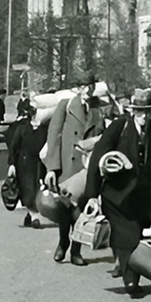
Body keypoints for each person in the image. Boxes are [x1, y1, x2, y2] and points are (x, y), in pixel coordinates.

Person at [86, 89, 151, 296]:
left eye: (147, 112)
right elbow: (97, 156)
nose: (143, 116)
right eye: (139, 111)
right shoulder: (119, 127)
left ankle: (133, 273)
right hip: (117, 195)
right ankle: (130, 281)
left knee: (138, 237)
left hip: (143, 197)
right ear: (132, 111)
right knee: (127, 238)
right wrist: (92, 194)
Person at [43, 74, 106, 266]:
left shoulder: (99, 107)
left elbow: (104, 133)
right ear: (77, 89)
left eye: (90, 86)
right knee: (64, 209)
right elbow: (53, 135)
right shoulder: (66, 105)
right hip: (67, 165)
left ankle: (76, 250)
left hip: (87, 167)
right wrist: (52, 168)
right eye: (83, 86)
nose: (87, 90)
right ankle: (63, 242)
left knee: (81, 211)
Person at [7, 100, 48, 228]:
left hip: (39, 164)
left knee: (37, 189)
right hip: (24, 164)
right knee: (28, 189)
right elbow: (14, 147)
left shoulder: (44, 130)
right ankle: (35, 216)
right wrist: (12, 164)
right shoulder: (22, 128)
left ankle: (30, 215)